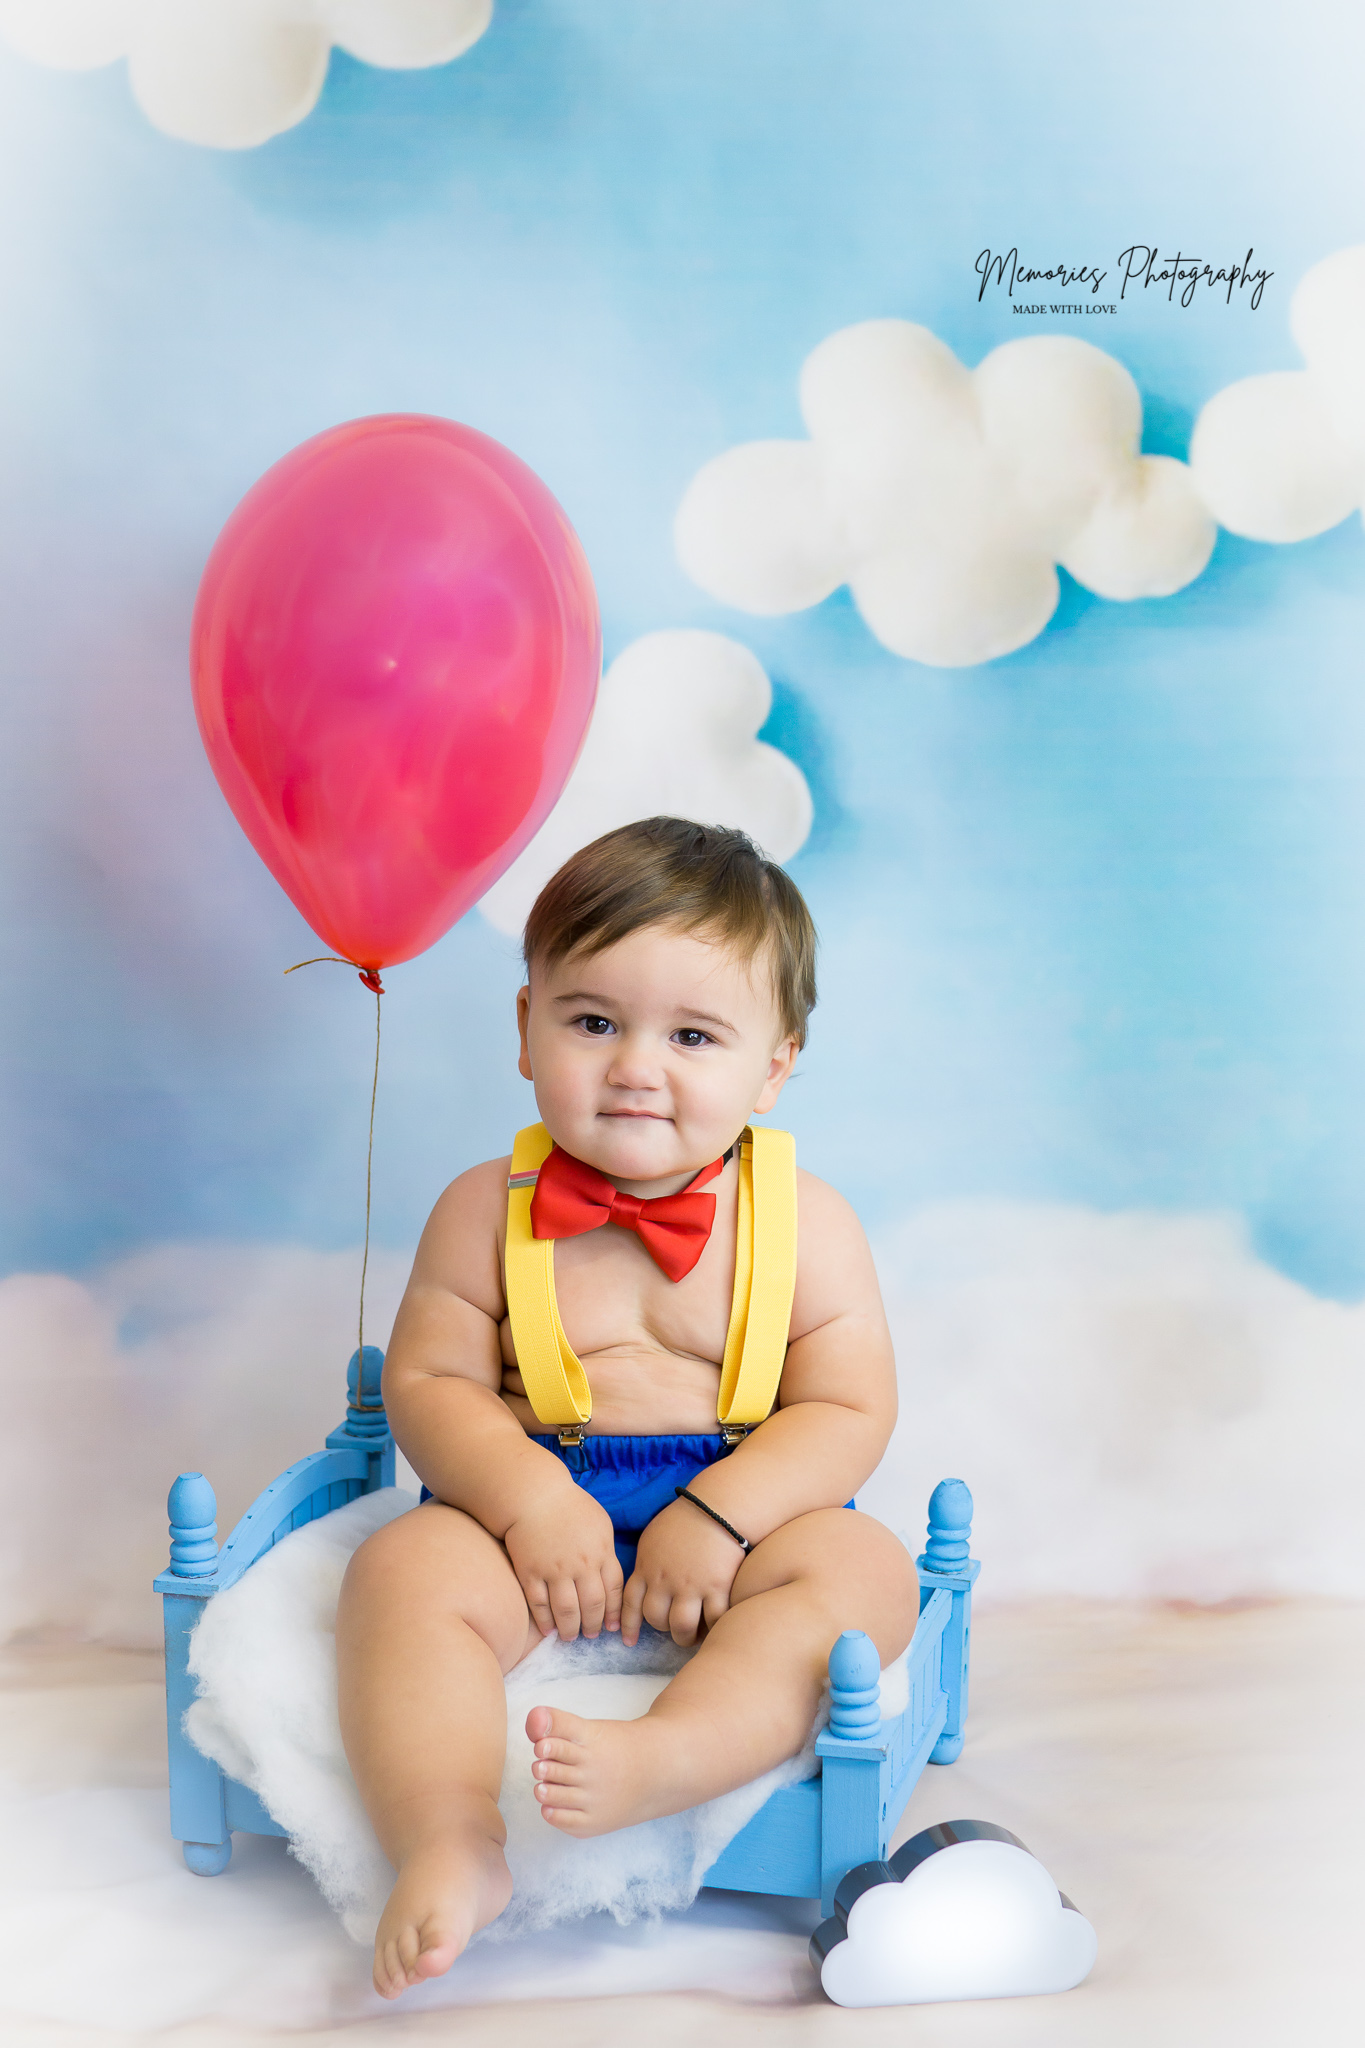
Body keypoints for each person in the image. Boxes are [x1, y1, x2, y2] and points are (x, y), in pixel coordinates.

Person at [336, 817, 918, 2000]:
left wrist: (726, 1513)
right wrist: (528, 1500)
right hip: (533, 1507)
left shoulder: (809, 1223)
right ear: (525, 1027)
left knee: (865, 1573)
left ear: (774, 1066)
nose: (636, 1066)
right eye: (594, 1021)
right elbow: (433, 1383)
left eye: (693, 1034)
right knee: (398, 1574)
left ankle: (669, 1753)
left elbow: (848, 1405)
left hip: (744, 1513)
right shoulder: (481, 1208)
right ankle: (451, 1831)